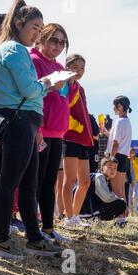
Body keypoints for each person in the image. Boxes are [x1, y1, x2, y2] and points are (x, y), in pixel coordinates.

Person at [0, 0, 64, 258]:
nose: (37, 34)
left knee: (27, 184)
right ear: (19, 23)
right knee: (9, 182)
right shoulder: (14, 50)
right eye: (35, 28)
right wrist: (48, 84)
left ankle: (33, 238)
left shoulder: (12, 49)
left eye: (40, 28)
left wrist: (41, 84)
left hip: (25, 123)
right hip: (19, 121)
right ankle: (0, 239)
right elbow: (28, 89)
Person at [30, 22, 71, 242]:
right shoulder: (34, 60)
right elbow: (32, 93)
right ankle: (32, 229)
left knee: (49, 183)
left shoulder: (58, 67)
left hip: (57, 133)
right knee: (34, 181)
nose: (58, 45)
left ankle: (48, 228)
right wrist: (37, 129)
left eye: (62, 42)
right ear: (43, 38)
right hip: (41, 130)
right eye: (54, 40)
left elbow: (62, 98)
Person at [61, 54, 95, 227]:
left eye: (82, 68)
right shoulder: (64, 84)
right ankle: (68, 217)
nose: (79, 71)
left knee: (85, 181)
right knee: (69, 180)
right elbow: (63, 109)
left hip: (83, 140)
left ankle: (74, 215)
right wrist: (79, 127)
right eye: (76, 67)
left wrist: (89, 133)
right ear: (67, 67)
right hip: (70, 137)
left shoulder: (79, 87)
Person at [104, 96, 133, 226]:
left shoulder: (120, 121)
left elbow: (115, 142)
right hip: (123, 157)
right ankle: (123, 215)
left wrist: (110, 158)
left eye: (114, 105)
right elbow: (113, 138)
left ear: (120, 106)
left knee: (116, 189)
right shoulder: (126, 121)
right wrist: (105, 132)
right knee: (121, 189)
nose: (113, 108)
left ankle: (120, 218)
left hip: (117, 156)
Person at [79, 157, 126, 221]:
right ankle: (94, 218)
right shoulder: (99, 177)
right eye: (109, 167)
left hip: (86, 209)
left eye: (115, 168)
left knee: (119, 202)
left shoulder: (103, 178)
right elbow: (106, 197)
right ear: (102, 168)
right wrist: (121, 200)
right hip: (86, 211)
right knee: (121, 204)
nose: (113, 170)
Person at [129, 148, 138, 217]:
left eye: (133, 152)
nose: (132, 153)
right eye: (131, 152)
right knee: (129, 198)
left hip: (136, 181)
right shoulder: (126, 160)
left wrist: (133, 161)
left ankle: (135, 209)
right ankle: (131, 213)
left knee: (135, 196)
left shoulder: (137, 161)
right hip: (128, 182)